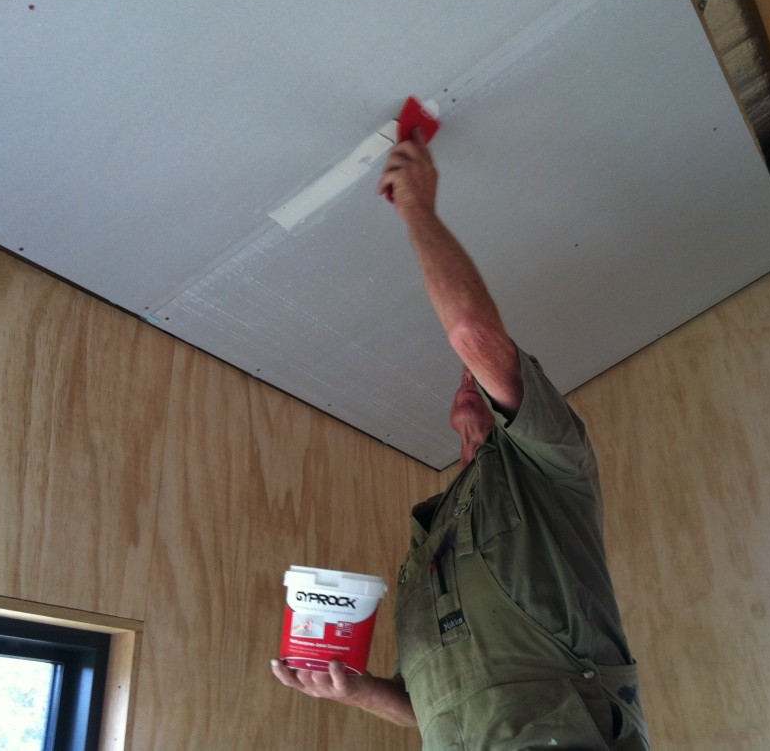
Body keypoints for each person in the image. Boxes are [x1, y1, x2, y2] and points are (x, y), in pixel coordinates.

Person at [272, 130, 650, 750]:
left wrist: (358, 691)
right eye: (466, 370)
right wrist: (416, 204)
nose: (471, 373)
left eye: (482, 369)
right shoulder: (436, 544)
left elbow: (472, 329)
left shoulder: (553, 460)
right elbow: (448, 702)